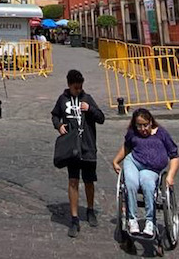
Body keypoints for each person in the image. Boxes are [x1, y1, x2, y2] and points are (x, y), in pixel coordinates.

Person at [51, 68, 105, 237]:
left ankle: (90, 210)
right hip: (72, 149)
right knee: (73, 181)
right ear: (69, 85)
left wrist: (90, 109)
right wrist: (59, 125)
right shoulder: (62, 100)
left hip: (88, 147)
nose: (78, 90)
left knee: (89, 181)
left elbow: (101, 118)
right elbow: (54, 115)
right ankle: (74, 218)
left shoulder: (87, 99)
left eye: (80, 87)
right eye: (76, 88)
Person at [111, 108, 179, 238]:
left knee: (148, 185)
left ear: (150, 122)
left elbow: (174, 156)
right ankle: (132, 220)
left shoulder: (161, 133)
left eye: (145, 125)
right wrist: (116, 161)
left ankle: (150, 222)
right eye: (139, 126)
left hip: (151, 169)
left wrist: (170, 176)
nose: (142, 129)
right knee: (131, 184)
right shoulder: (132, 133)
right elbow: (127, 147)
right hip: (134, 162)